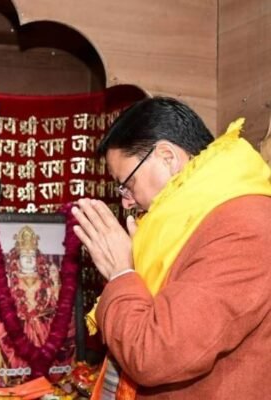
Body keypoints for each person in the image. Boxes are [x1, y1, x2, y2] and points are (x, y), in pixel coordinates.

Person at [71, 97, 271, 399]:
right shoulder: (183, 222)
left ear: (167, 157)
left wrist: (121, 273)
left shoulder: (243, 227)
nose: (125, 202)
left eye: (127, 184)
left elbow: (153, 355)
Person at [0, 225, 70, 386]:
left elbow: (56, 303)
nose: (29, 260)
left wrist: (55, 284)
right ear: (17, 260)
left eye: (32, 255)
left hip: (44, 330)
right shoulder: (10, 278)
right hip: (16, 329)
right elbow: (0, 304)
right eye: (25, 256)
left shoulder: (46, 277)